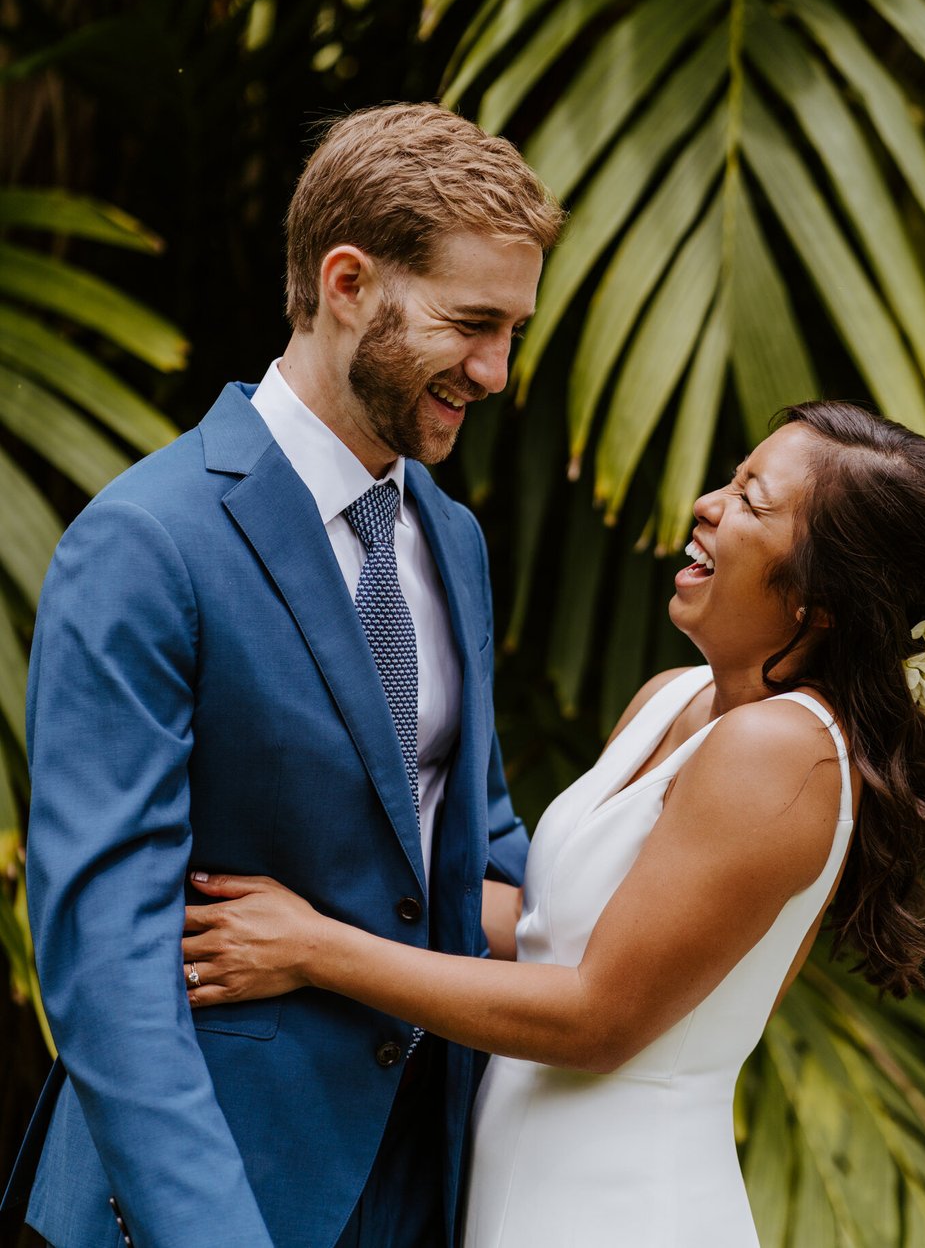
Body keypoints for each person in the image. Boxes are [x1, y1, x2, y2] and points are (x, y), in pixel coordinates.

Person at [178, 402, 925, 1248]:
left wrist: (315, 950)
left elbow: (595, 1017)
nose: (708, 504)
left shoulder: (784, 751)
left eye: (753, 503)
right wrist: (311, 883)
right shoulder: (675, 699)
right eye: (732, 479)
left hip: (622, 1206)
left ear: (823, 600)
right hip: (520, 1192)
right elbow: (543, 931)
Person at [5, 102, 564, 1248]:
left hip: (425, 1180)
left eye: (513, 330)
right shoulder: (148, 541)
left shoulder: (451, 539)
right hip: (201, 1197)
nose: (497, 371)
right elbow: (107, 959)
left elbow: (479, 852)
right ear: (347, 282)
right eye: (472, 324)